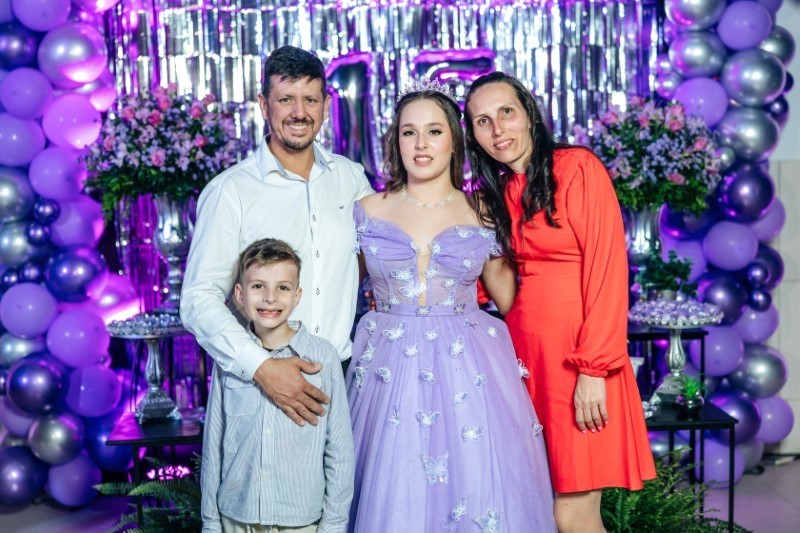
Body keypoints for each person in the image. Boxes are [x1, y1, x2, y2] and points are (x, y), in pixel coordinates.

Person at [346, 80, 556, 533]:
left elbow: (515, 302)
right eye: (409, 132)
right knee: (393, 484)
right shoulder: (366, 210)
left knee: (475, 484)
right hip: (386, 368)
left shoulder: (483, 211)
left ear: (455, 140)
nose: (421, 144)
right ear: (396, 140)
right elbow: (340, 294)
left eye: (434, 131)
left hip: (470, 368)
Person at [464, 71, 656, 533]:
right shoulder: (496, 195)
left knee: (571, 515)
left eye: (506, 113)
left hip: (578, 362)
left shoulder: (576, 168)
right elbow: (501, 293)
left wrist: (593, 370)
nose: (497, 129)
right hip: (524, 361)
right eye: (482, 121)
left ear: (529, 114)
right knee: (533, 507)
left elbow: (608, 273)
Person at [181, 45, 372, 427]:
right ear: (263, 105)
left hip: (341, 377)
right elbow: (198, 300)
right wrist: (263, 368)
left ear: (325, 105)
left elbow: (374, 256)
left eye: (310, 100)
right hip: (263, 385)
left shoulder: (350, 178)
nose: (299, 112)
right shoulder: (230, 191)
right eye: (286, 99)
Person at [201, 238, 354, 533]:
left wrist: (334, 525)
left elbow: (339, 448)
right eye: (258, 286)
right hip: (237, 516)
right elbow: (213, 446)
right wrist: (211, 523)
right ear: (240, 294)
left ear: (297, 296)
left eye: (282, 288)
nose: (270, 298)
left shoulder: (323, 358)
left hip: (300, 520)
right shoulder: (229, 360)